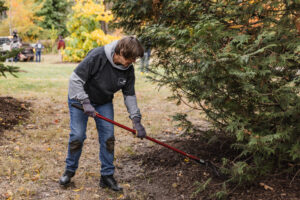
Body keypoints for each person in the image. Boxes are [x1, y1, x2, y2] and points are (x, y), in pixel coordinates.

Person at [59, 36, 147, 192]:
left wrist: (136, 120)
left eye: (135, 59)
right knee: (77, 136)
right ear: (120, 52)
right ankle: (69, 170)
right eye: (130, 58)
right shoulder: (98, 56)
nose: (132, 62)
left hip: (103, 102)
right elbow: (74, 80)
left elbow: (129, 95)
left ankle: (107, 176)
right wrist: (85, 102)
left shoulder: (128, 70)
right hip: (79, 100)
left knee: (108, 138)